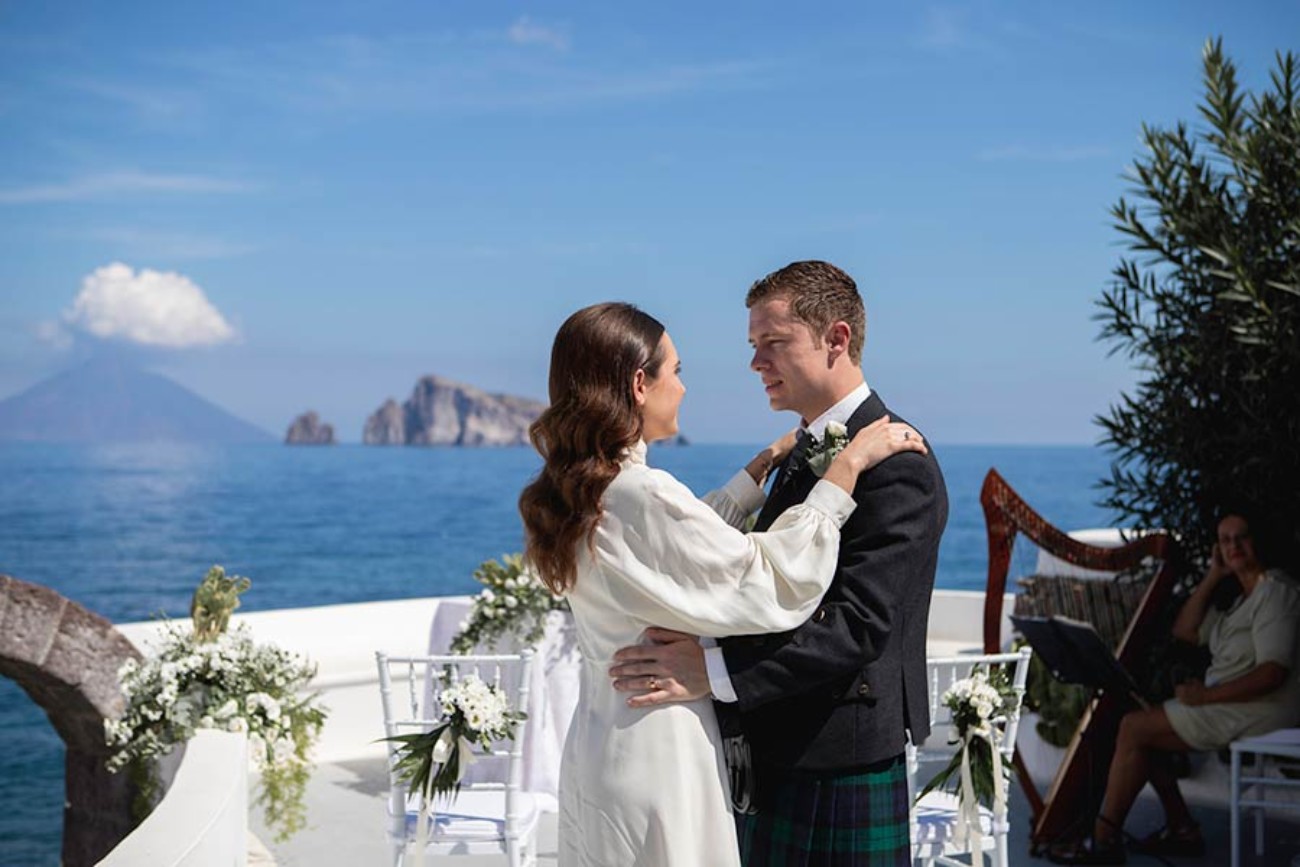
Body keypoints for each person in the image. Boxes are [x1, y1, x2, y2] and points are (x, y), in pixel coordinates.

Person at [518, 301, 927, 867]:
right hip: (660, 744)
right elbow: (764, 578)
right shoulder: (640, 493)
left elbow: (677, 553)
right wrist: (841, 475)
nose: (685, 388)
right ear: (640, 383)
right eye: (677, 371)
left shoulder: (583, 491)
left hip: (601, 738)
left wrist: (753, 478)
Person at [609, 260, 948, 866]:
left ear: (836, 340)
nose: (756, 363)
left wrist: (711, 671)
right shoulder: (801, 451)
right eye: (753, 345)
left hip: (838, 757)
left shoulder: (898, 462)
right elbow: (753, 575)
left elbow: (856, 625)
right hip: (777, 752)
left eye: (774, 343)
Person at [1051, 512, 1300, 865]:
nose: (1234, 546)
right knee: (1143, 734)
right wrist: (1213, 576)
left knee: (1134, 727)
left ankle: (1102, 842)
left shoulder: (1275, 593)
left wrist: (1205, 697)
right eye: (1225, 540)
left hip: (1263, 708)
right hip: (1231, 705)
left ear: (1258, 541)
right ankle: (1182, 828)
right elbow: (1184, 631)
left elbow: (1272, 674)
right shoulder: (1242, 601)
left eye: (1241, 537)